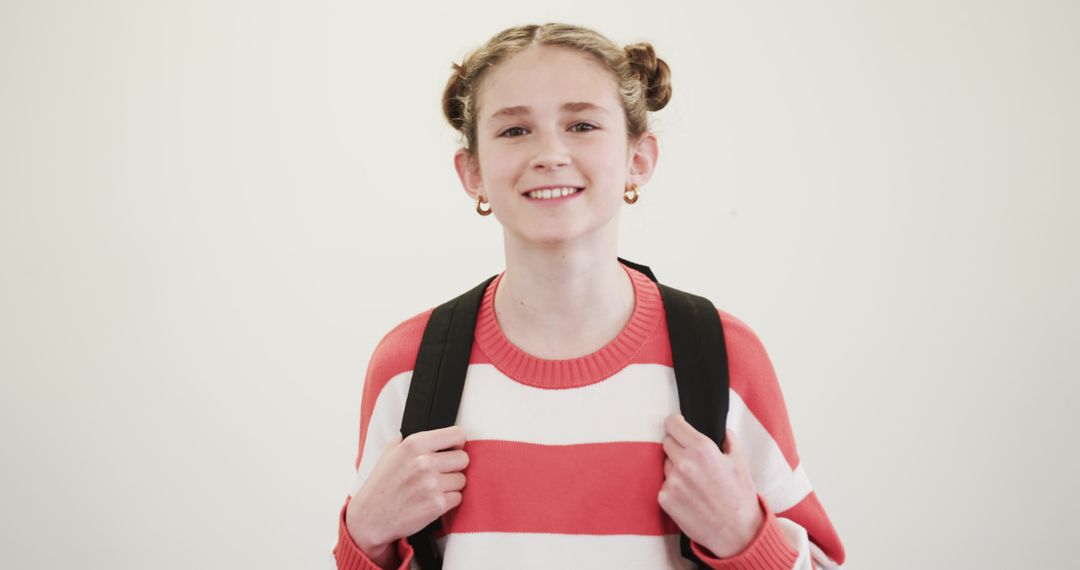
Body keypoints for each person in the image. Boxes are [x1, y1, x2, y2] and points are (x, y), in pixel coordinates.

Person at [332, 22, 845, 570]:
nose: (550, 153)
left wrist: (745, 536)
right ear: (472, 172)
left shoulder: (725, 355)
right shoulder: (408, 366)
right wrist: (364, 534)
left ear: (638, 159)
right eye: (513, 131)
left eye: (581, 124)